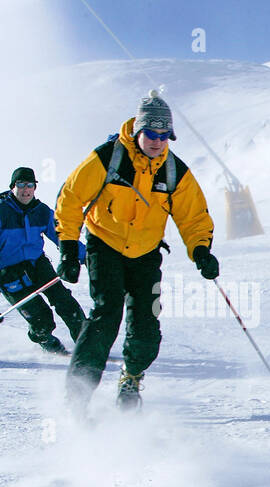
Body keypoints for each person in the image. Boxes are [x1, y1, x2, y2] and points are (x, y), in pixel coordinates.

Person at [55, 90, 218, 411]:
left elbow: (194, 215)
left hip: (145, 254)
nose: (158, 141)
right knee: (106, 315)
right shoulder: (107, 158)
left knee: (146, 325)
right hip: (105, 246)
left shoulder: (174, 172)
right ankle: (78, 393)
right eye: (152, 133)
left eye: (164, 135)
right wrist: (68, 248)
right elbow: (71, 198)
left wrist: (201, 250)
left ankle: (130, 378)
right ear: (138, 130)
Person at [0, 167, 86, 354]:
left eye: (30, 185)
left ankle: (86, 342)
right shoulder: (2, 211)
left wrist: (86, 256)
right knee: (42, 320)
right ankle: (44, 338)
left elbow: (63, 237)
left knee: (66, 302)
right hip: (9, 273)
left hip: (37, 264)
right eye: (20, 185)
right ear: (13, 187)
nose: (25, 190)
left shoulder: (41, 211)